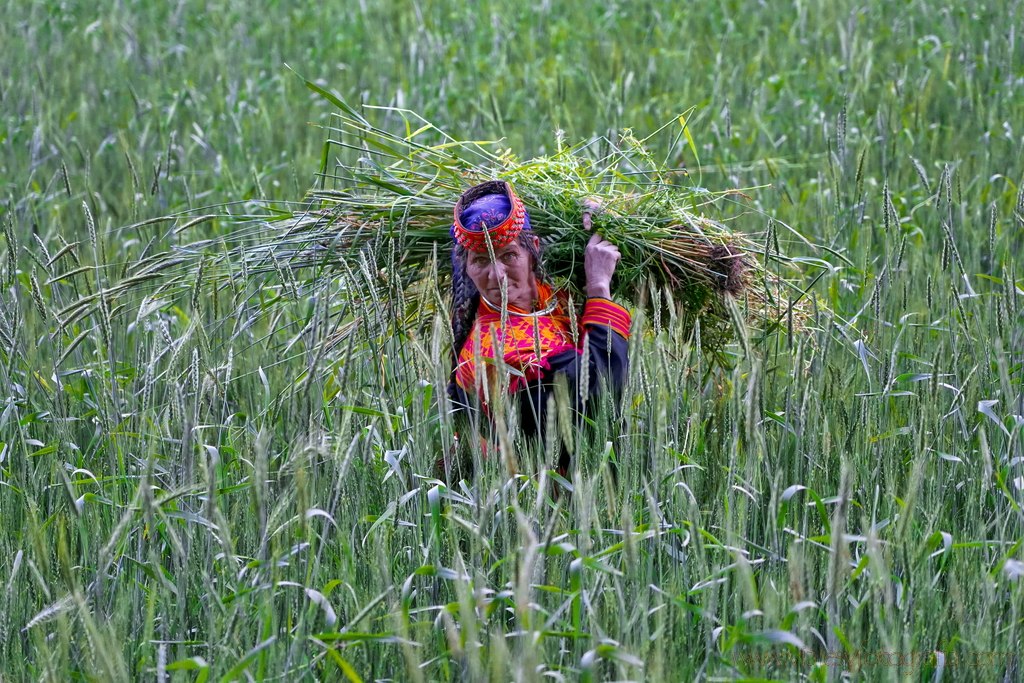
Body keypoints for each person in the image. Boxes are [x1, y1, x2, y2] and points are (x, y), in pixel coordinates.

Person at [442, 180, 631, 482]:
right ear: (466, 267)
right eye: (480, 260)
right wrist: (598, 288)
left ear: (535, 251)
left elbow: (598, 228)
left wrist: (598, 215)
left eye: (508, 255)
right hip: (558, 510)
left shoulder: (547, 292)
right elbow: (600, 393)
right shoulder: (493, 351)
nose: (497, 275)